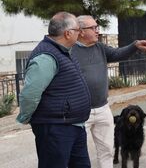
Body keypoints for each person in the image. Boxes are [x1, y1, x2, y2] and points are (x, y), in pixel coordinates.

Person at [72, 15, 146, 168]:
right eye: (93, 28)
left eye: (97, 27)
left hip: (103, 109)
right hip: (80, 111)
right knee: (76, 152)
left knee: (107, 150)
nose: (98, 31)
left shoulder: (100, 48)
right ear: (81, 31)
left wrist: (134, 45)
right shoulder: (70, 51)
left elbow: (117, 54)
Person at [16, 12, 91, 168]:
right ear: (68, 33)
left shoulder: (64, 51)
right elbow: (30, 94)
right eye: (78, 30)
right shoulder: (46, 56)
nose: (81, 33)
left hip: (73, 125)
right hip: (55, 128)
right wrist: (26, 117)